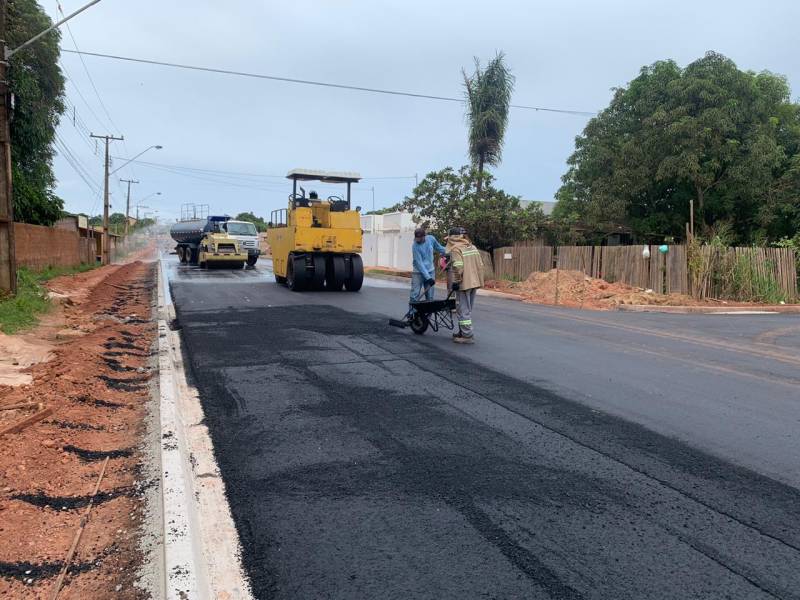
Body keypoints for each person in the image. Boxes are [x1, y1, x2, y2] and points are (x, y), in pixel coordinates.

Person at [445, 226, 484, 344]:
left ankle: (467, 335)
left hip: (464, 283)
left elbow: (458, 267)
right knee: (468, 308)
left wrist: (456, 282)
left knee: (462, 309)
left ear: (453, 238)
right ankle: (463, 331)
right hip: (474, 282)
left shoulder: (456, 250)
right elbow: (480, 265)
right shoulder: (472, 247)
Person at [411, 227, 446, 305]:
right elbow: (419, 264)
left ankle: (427, 316)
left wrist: (451, 250)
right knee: (415, 294)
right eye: (417, 238)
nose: (418, 240)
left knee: (430, 296)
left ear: (424, 236)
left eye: (420, 238)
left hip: (430, 271)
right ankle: (413, 314)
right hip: (418, 273)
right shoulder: (415, 246)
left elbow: (439, 248)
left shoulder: (431, 239)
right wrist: (428, 278)